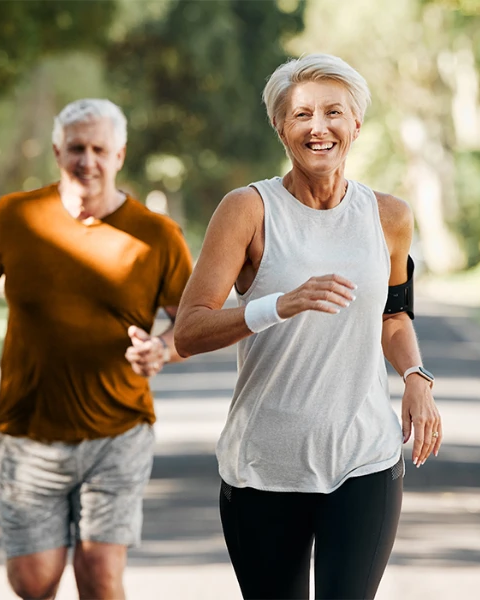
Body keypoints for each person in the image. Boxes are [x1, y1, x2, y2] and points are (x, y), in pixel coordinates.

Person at [174, 54, 443, 599]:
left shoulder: (389, 216)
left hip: (364, 457)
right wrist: (279, 304)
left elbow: (393, 314)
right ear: (280, 127)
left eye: (333, 113)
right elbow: (189, 330)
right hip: (264, 465)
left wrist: (416, 374)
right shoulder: (247, 210)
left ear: (356, 125)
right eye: (301, 115)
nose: (318, 128)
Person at [0, 98, 193, 600]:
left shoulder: (157, 236)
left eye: (100, 149)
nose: (89, 161)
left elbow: (191, 322)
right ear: (58, 152)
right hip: (29, 428)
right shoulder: (15, 216)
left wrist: (162, 350)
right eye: (77, 149)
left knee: (100, 575)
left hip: (120, 429)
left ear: (120, 155)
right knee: (33, 581)